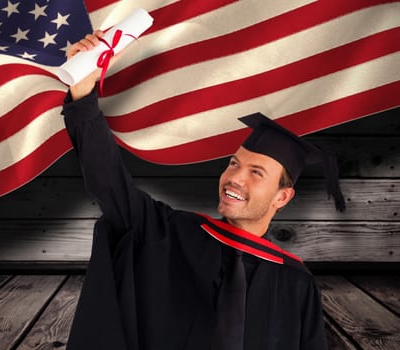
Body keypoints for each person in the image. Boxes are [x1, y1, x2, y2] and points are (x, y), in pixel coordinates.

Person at [62, 31, 344, 350]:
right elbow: (107, 181)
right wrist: (83, 92)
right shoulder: (168, 235)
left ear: (282, 197)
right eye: (234, 164)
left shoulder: (296, 283)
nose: (235, 178)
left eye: (256, 173)